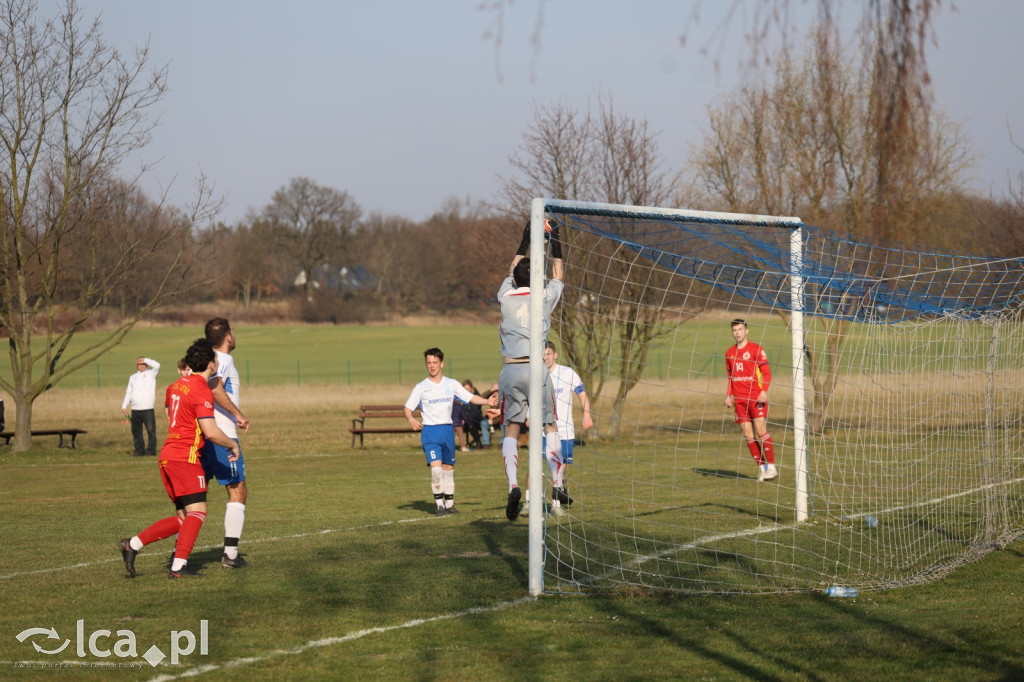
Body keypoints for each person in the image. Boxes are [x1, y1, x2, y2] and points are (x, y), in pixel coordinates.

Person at [118, 338, 241, 579]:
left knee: (183, 518)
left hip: (167, 456)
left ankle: (132, 544)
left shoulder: (176, 385)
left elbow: (169, 413)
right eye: (214, 359)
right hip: (184, 457)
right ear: (210, 364)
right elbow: (211, 431)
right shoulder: (201, 390)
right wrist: (231, 444)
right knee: (198, 512)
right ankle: (178, 567)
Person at [497, 219, 566, 521]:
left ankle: (513, 485)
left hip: (510, 370)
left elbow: (511, 270)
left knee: (511, 429)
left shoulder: (505, 297)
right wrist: (558, 240)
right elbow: (558, 273)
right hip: (537, 369)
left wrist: (525, 240)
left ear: (514, 278)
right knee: (549, 426)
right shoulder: (544, 297)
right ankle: (557, 483)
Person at [404, 348, 497, 516]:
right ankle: (439, 505)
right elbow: (407, 408)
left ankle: (450, 504)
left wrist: (486, 401)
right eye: (429, 363)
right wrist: (411, 419)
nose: (432, 366)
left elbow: (469, 397)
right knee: (436, 469)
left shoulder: (451, 384)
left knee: (448, 469)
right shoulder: (421, 387)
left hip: (447, 430)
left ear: (441, 363)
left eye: (434, 362)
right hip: (430, 433)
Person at [200, 317, 252, 568]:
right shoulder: (224, 360)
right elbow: (214, 386)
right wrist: (239, 415)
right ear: (228, 336)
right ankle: (230, 555)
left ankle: (178, 555)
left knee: (194, 497)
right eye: (233, 329)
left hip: (199, 433)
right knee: (237, 489)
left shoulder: (198, 360)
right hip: (221, 435)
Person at [724, 319, 777, 481]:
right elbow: (730, 377)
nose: (737, 332)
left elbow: (766, 374)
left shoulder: (756, 349)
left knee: (760, 431)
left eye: (740, 329)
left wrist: (763, 391)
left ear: (746, 331)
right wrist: (728, 395)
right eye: (734, 330)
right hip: (739, 400)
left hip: (755, 398)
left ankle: (772, 468)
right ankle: (763, 469)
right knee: (748, 435)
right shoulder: (729, 353)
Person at [541, 341, 593, 500]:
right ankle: (534, 498)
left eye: (548, 353)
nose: (546, 357)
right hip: (544, 429)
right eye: (543, 355)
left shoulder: (567, 373)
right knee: (545, 463)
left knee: (562, 465)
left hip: (565, 428)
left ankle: (559, 493)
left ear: (555, 355)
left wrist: (587, 414)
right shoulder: (537, 374)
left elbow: (582, 394)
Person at [122, 356, 161, 456]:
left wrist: (145, 359)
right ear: (136, 365)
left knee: (151, 431)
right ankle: (139, 450)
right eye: (140, 364)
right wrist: (124, 405)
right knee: (136, 431)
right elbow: (129, 392)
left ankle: (151, 451)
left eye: (143, 364)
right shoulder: (133, 377)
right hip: (135, 408)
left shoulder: (151, 374)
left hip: (148, 408)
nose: (142, 366)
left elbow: (157, 365)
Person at [461, 379, 488, 449]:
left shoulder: (476, 397)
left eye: (468, 389)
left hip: (478, 420)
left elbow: (475, 412)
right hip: (467, 421)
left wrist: (465, 418)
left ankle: (478, 442)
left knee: (469, 422)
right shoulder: (461, 399)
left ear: (471, 388)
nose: (466, 391)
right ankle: (477, 443)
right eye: (464, 389)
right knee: (469, 423)